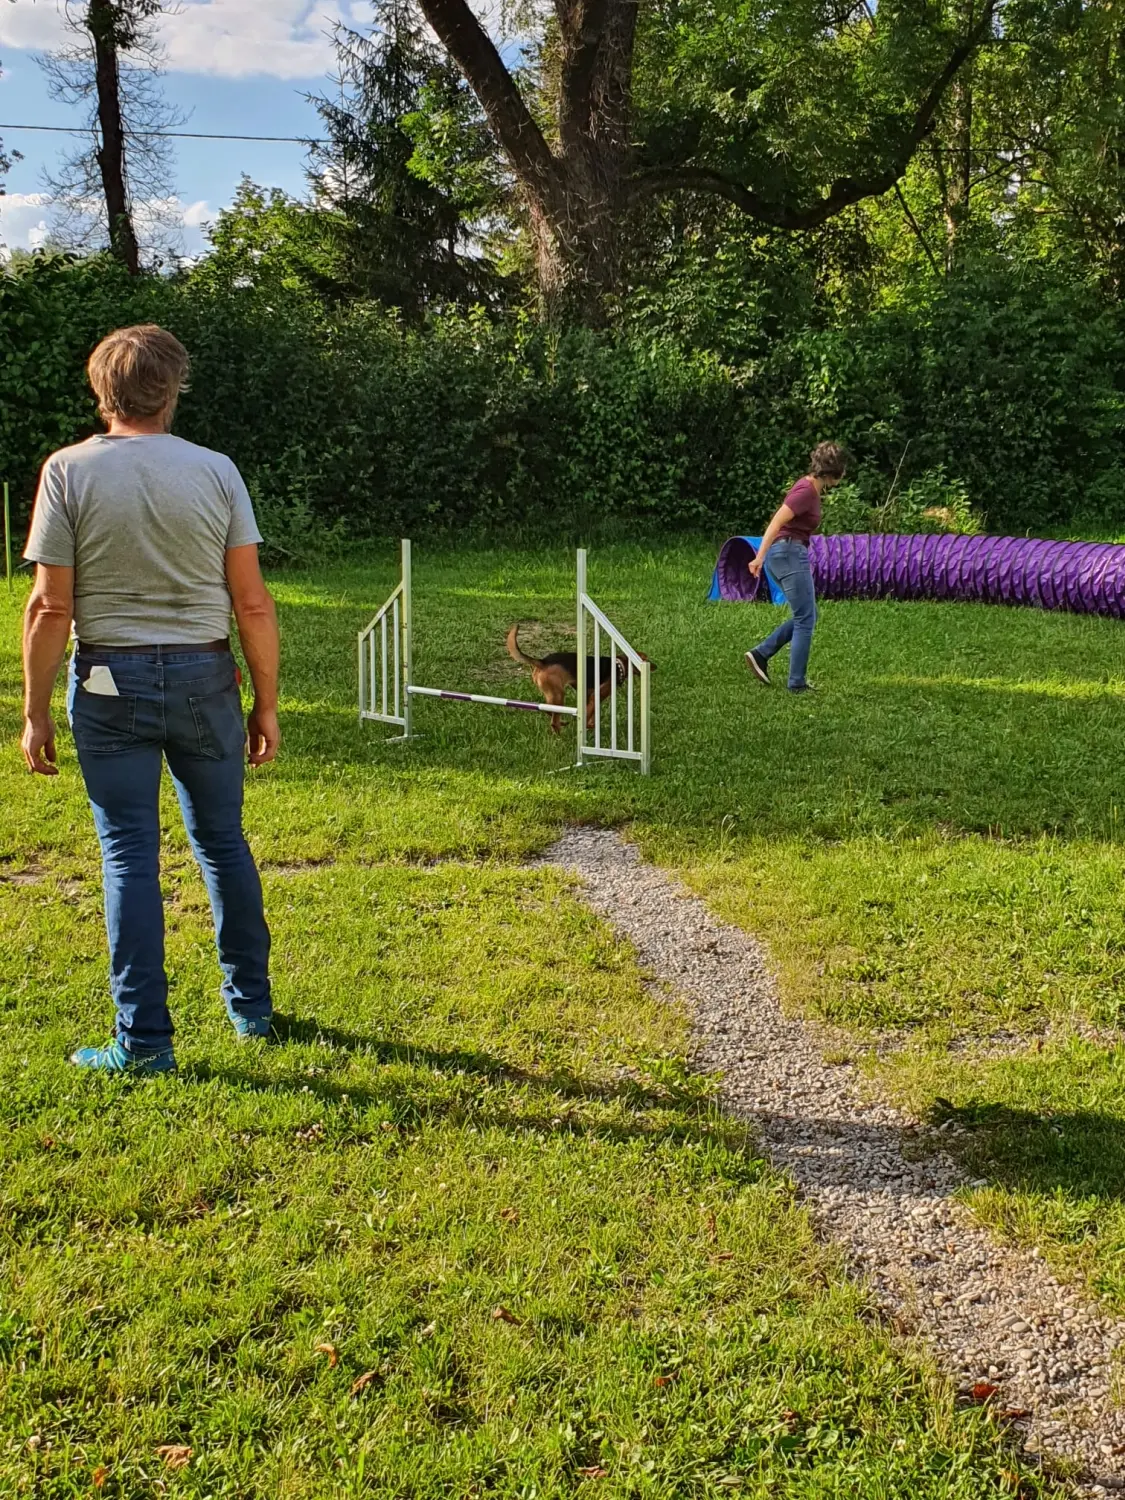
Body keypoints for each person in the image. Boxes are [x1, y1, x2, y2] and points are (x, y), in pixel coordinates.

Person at [20, 324, 281, 1074]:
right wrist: (264, 703)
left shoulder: (67, 471)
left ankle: (144, 1043)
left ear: (102, 391)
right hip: (206, 679)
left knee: (129, 853)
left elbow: (49, 607)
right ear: (172, 389)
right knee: (222, 841)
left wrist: (33, 710)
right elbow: (252, 604)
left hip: (108, 681)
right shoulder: (216, 471)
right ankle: (251, 1010)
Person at [745, 442, 848, 693]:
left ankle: (761, 653)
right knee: (806, 618)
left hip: (789, 553)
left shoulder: (812, 489)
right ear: (833, 470)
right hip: (788, 553)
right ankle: (797, 683)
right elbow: (777, 521)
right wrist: (759, 556)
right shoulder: (805, 491)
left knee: (809, 614)